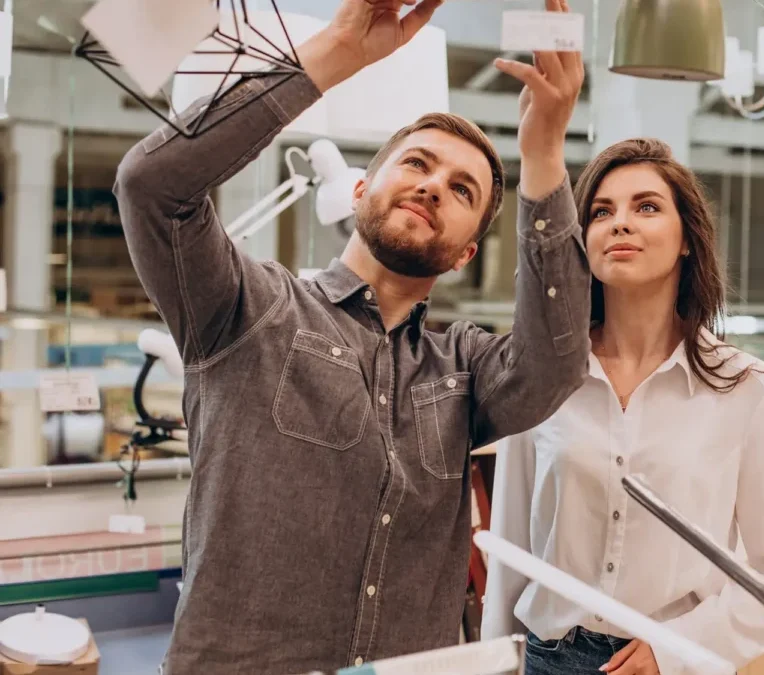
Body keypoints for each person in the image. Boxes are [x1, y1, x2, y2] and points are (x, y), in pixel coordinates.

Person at [113, 0, 589, 672]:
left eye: (461, 190)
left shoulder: (464, 369)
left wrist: (543, 154)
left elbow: (557, 361)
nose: (432, 186)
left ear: (463, 254)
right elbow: (151, 188)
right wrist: (337, 52)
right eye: (417, 163)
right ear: (362, 187)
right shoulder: (245, 309)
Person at [480, 139, 764, 675]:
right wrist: (494, 664)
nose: (620, 223)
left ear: (688, 238)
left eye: (646, 207)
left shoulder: (745, 387)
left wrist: (677, 648)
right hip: (546, 659)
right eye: (601, 212)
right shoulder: (544, 378)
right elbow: (510, 549)